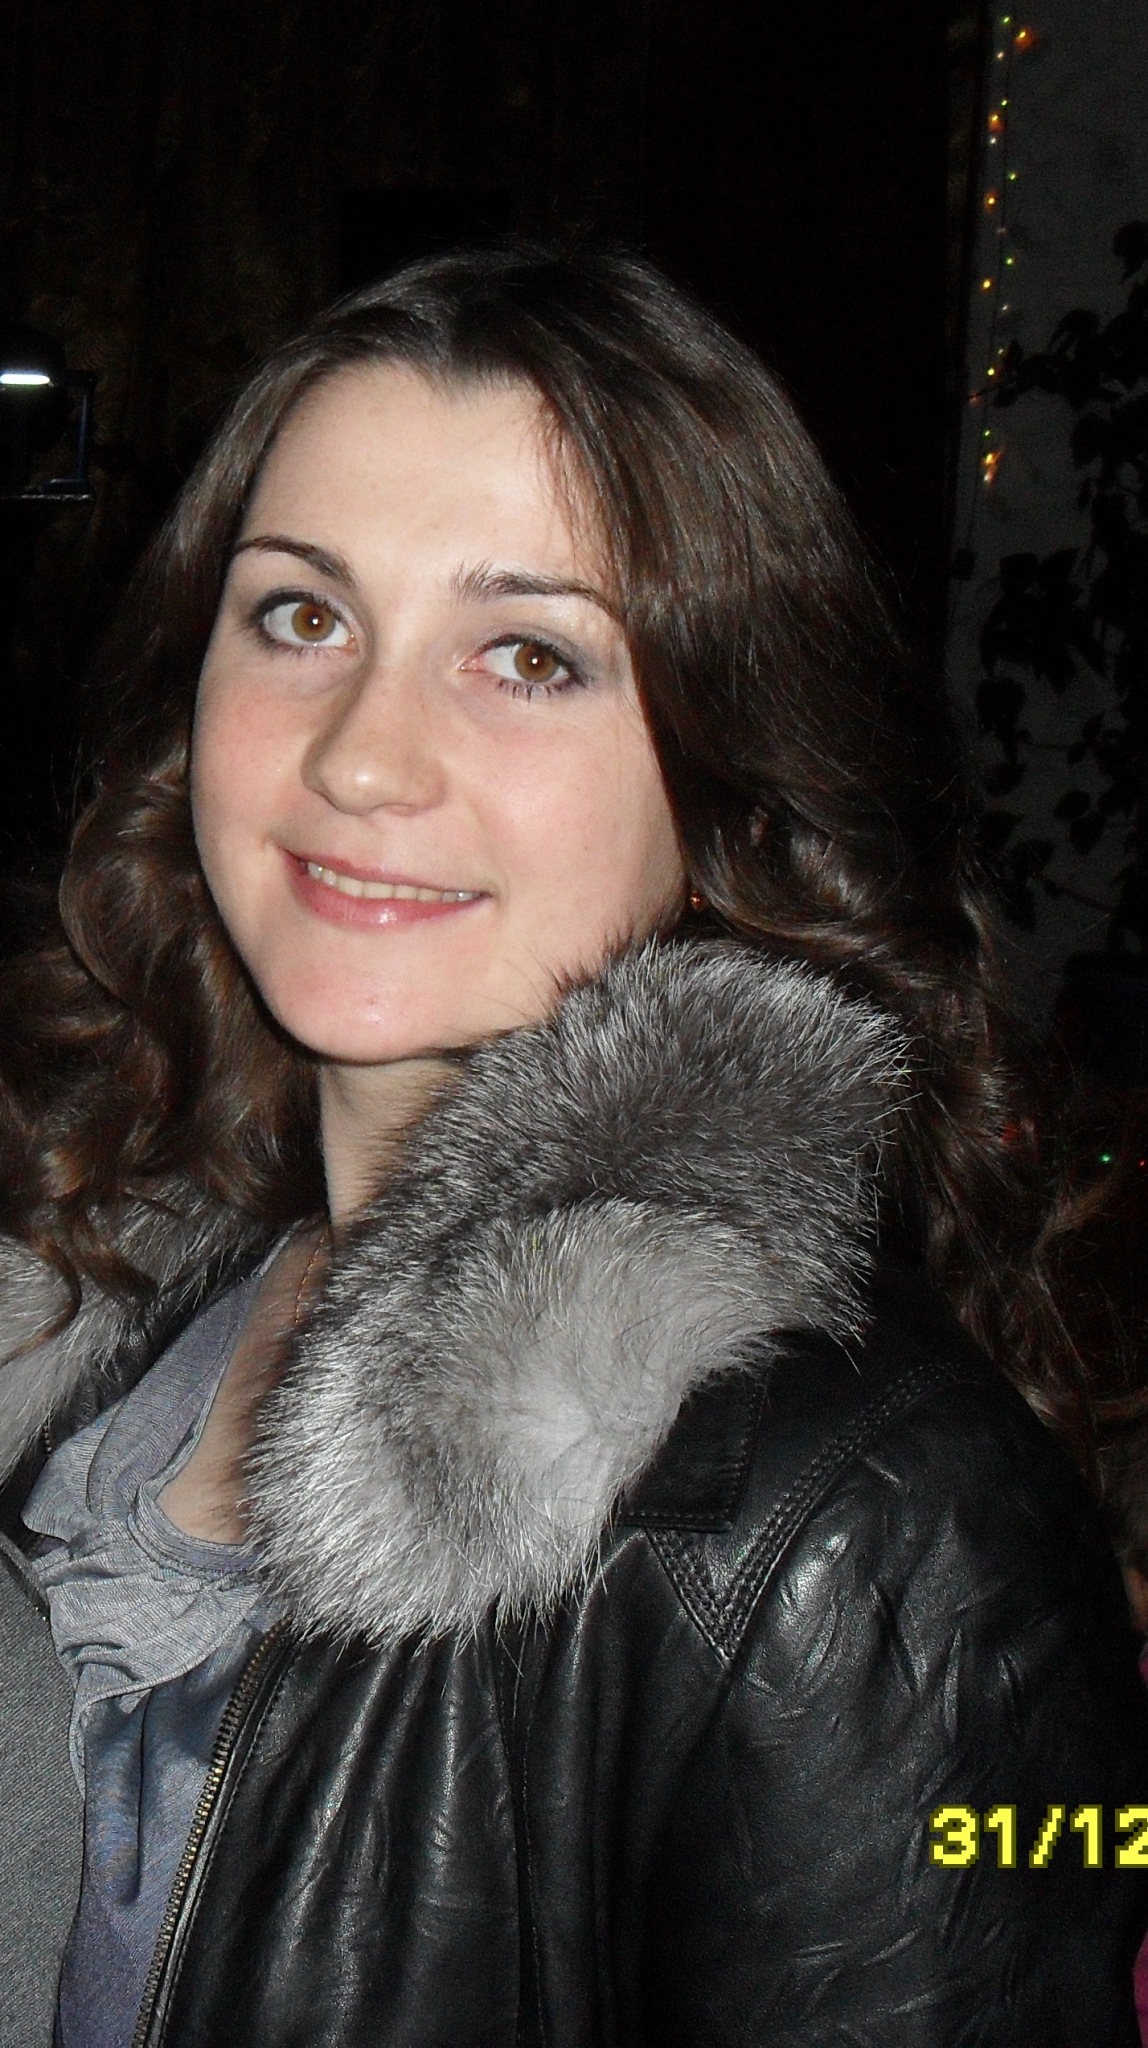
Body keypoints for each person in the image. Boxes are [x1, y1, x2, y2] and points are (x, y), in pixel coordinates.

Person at [0, 242, 1144, 2048]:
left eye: (529, 656)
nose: (362, 758)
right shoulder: (105, 1282)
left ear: (729, 774)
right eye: (300, 617)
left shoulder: (866, 1529)